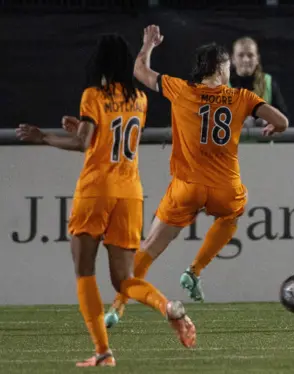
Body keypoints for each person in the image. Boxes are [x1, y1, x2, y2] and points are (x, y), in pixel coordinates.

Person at [15, 34, 196, 368]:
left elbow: (84, 144)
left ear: (98, 63)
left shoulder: (92, 95)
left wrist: (43, 137)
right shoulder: (140, 99)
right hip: (129, 193)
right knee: (124, 280)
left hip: (96, 190)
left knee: (84, 272)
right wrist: (83, 129)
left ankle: (103, 352)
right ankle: (167, 307)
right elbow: (108, 135)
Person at [104, 25, 289, 328]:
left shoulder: (180, 89)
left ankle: (117, 307)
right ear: (219, 66)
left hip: (187, 188)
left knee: (149, 247)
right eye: (228, 63)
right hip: (224, 190)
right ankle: (195, 270)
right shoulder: (241, 96)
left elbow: (140, 70)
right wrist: (274, 127)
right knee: (232, 215)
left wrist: (148, 44)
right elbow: (281, 120)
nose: (230, 68)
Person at [230, 36, 288, 128]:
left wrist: (268, 122)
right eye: (241, 55)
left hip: (261, 141)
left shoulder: (268, 83)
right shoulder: (222, 84)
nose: (246, 60)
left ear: (257, 59)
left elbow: (283, 120)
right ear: (233, 59)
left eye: (250, 55)